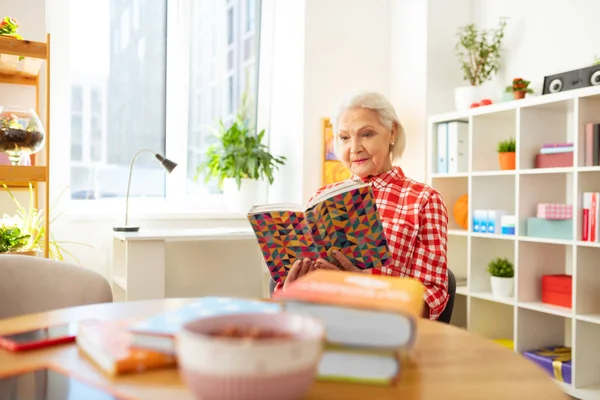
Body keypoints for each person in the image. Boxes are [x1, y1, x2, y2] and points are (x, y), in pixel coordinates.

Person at [273, 90, 449, 320]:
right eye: (344, 137)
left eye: (366, 134)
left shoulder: (423, 200)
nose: (354, 148)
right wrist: (292, 287)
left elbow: (430, 300)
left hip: (382, 333)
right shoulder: (323, 197)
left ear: (392, 132)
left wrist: (366, 290)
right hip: (319, 326)